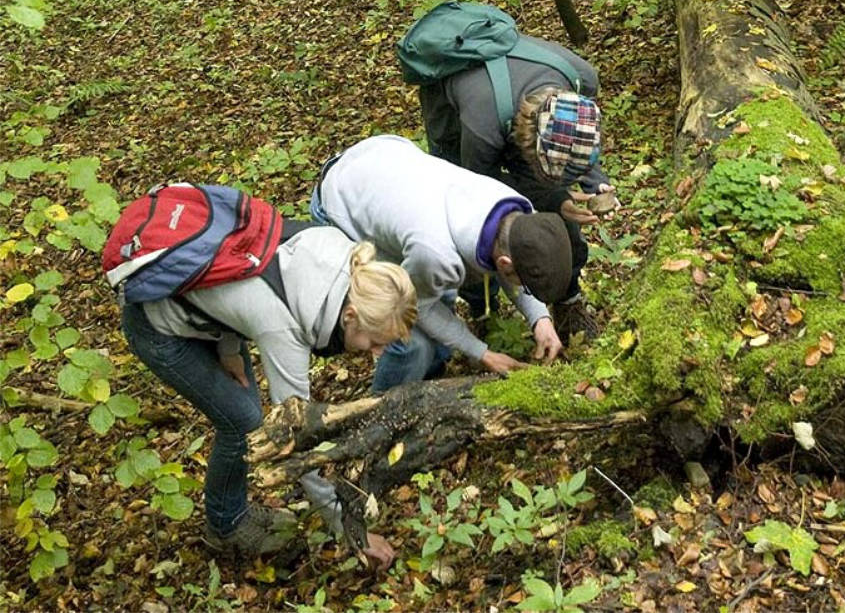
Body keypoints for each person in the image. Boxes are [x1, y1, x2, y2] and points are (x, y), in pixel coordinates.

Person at [120, 225, 416, 564]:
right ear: (350, 315)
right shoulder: (283, 326)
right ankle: (225, 526)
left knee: (246, 415)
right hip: (157, 323)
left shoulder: (339, 255)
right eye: (376, 342)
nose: (377, 353)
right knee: (242, 423)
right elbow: (295, 436)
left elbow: (241, 272)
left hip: (207, 315)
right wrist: (347, 526)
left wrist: (229, 350)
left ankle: (234, 509)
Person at [310, 134, 574, 390]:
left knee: (439, 312)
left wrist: (540, 319)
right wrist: (483, 354)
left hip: (385, 169)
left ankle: (429, 383)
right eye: (521, 282)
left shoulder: (516, 212)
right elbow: (417, 306)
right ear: (504, 264)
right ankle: (378, 413)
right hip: (341, 199)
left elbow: (513, 257)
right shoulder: (435, 251)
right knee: (409, 343)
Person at [417, 32, 613, 340]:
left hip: (511, 103)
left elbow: (579, 137)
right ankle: (481, 305)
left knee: (557, 207)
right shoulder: (483, 127)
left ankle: (568, 300)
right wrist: (552, 195)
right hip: (452, 116)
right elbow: (477, 191)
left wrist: (596, 182)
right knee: (473, 226)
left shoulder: (582, 79)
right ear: (527, 143)